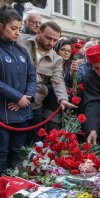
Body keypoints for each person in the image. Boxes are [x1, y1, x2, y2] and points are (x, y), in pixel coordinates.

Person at [18, 21, 74, 144]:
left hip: (35, 104)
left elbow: (58, 80)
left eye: (55, 40)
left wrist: (63, 99)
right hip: (14, 99)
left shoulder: (56, 58)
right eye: (48, 38)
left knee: (34, 142)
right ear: (38, 32)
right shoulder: (20, 40)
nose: (52, 43)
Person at [0, 3, 36, 175]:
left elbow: (32, 76)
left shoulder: (22, 51)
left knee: (18, 152)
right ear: (1, 26)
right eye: (13, 28)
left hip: (22, 111)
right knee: (2, 153)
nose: (17, 32)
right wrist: (16, 97)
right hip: (3, 113)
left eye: (19, 28)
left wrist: (26, 97)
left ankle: (15, 187)